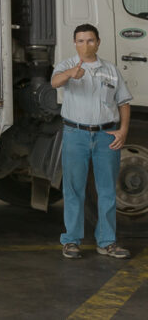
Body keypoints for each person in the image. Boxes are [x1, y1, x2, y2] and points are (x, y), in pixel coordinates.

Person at [51, 23, 132, 260]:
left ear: (98, 42)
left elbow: (124, 103)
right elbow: (55, 83)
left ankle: (107, 242)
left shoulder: (111, 70)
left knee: (106, 190)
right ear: (74, 43)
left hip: (107, 136)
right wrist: (70, 75)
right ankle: (71, 241)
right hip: (75, 135)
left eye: (90, 40)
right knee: (74, 189)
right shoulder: (67, 65)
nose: (85, 45)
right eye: (80, 41)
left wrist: (123, 131)